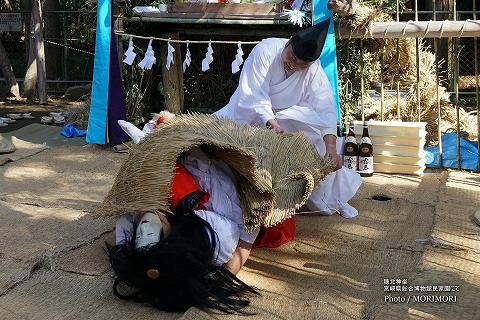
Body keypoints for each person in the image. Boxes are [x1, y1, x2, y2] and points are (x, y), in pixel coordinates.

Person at [213, 19, 362, 218]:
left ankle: (331, 201)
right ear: (288, 42)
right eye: (292, 57)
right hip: (248, 113)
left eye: (302, 65)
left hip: (285, 117)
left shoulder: (313, 69)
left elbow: (325, 107)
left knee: (316, 142)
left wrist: (331, 150)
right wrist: (271, 123)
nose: (293, 65)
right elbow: (254, 95)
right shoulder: (265, 50)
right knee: (225, 152)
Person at [108, 146, 260, 313]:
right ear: (173, 238)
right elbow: (245, 243)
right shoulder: (221, 214)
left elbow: (125, 232)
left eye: (138, 235)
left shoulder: (135, 219)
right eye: (151, 233)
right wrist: (217, 281)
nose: (144, 227)